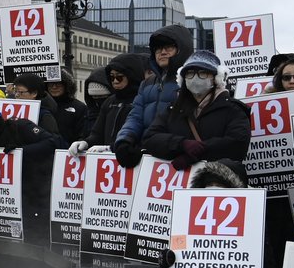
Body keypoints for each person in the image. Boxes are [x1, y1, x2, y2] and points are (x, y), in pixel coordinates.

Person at [142, 51, 251, 172]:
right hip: (181, 185)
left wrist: (194, 154)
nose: (195, 78)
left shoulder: (233, 109)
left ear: (216, 78)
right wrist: (181, 144)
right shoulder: (173, 110)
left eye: (203, 73)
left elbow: (237, 145)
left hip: (217, 184)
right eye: (190, 73)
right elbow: (150, 139)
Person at [0, 98, 59, 239]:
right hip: (13, 200)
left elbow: (52, 142)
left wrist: (21, 151)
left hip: (39, 191)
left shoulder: (20, 126)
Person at [112, 24, 194, 167]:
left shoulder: (192, 82)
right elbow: (135, 116)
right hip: (146, 156)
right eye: (157, 49)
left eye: (168, 47)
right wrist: (124, 139)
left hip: (177, 155)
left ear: (182, 49)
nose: (162, 52)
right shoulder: (147, 83)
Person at [74, 52, 146, 152]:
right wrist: (85, 143)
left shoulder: (142, 100)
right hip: (109, 160)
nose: (115, 81)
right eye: (112, 77)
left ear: (131, 76)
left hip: (131, 156)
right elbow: (97, 134)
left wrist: (111, 148)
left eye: (119, 77)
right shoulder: (109, 102)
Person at [8, 73, 66, 144]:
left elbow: (53, 141)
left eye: (21, 92)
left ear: (34, 93)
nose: (17, 95)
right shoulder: (10, 109)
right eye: (15, 91)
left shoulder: (44, 115)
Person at [46, 69, 89, 145]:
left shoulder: (79, 107)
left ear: (66, 86)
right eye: (50, 83)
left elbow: (82, 133)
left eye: (58, 84)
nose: (54, 87)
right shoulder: (41, 106)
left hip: (68, 152)